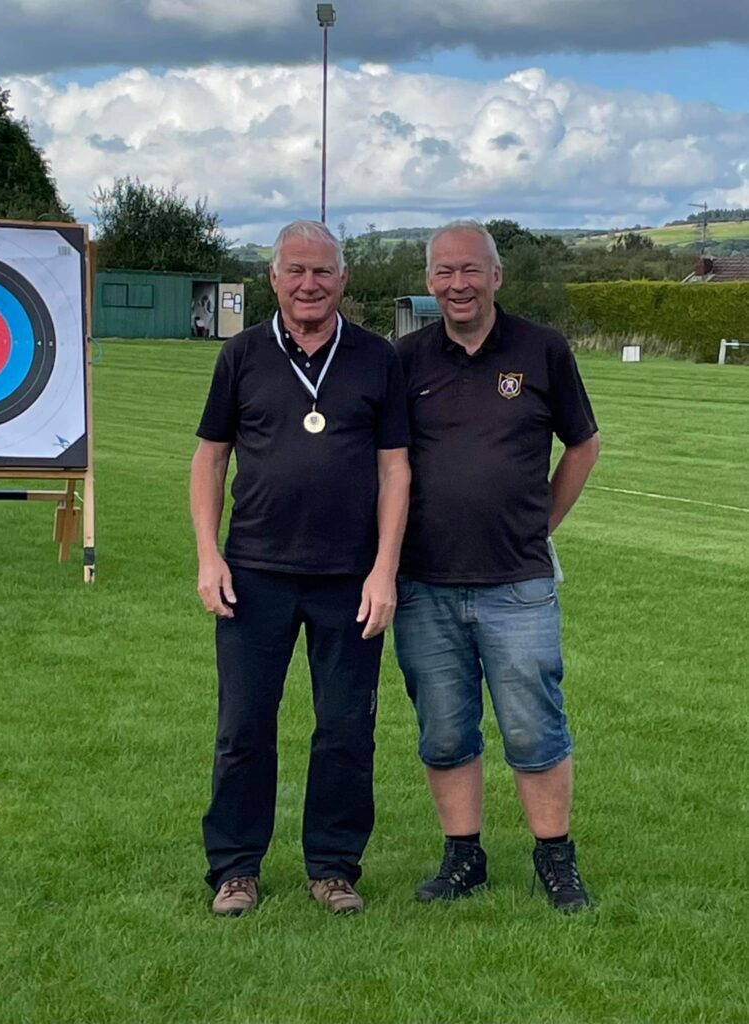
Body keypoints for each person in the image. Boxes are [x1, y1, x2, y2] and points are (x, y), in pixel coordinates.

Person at [190, 220, 410, 916]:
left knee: (346, 728)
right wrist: (207, 553)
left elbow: (396, 469)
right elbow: (210, 457)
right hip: (253, 572)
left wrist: (384, 571)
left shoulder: (379, 358)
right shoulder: (243, 355)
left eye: (322, 272)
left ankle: (333, 867)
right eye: (295, 271)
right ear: (274, 279)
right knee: (244, 725)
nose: (308, 284)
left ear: (344, 280)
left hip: (349, 578)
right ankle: (235, 868)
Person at [394, 220, 600, 913]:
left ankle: (556, 858)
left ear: (497, 277)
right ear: (429, 281)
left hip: (519, 583)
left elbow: (583, 446)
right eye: (445, 272)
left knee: (533, 726)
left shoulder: (543, 350)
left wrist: (540, 526)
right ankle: (464, 858)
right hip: (424, 583)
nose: (458, 284)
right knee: (445, 729)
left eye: (471, 270)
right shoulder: (406, 360)